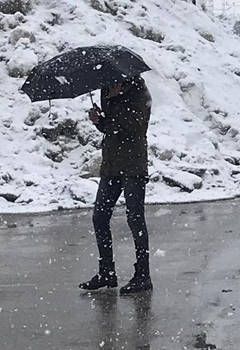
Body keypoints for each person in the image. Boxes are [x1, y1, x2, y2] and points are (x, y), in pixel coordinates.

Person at [79, 75, 154, 294]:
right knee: (100, 217)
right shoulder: (106, 89)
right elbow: (110, 128)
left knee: (135, 218)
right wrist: (98, 120)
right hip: (111, 163)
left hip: (133, 164)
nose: (110, 83)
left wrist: (116, 100)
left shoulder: (139, 91)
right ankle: (106, 272)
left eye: (114, 80)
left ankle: (143, 274)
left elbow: (134, 127)